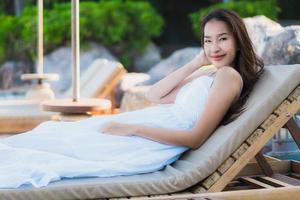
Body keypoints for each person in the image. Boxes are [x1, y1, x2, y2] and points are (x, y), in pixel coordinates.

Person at [0, 9, 264, 188]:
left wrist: (132, 128)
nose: (214, 48)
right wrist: (196, 62)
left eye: (222, 39)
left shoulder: (229, 77)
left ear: (237, 41)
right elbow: (155, 95)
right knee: (56, 136)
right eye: (207, 40)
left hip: (151, 139)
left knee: (60, 145)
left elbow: (195, 138)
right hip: (150, 127)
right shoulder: (210, 72)